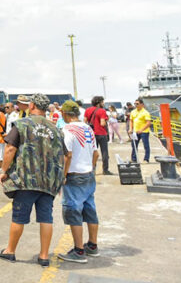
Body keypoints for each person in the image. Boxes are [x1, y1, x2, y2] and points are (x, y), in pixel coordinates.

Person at [0, 94, 65, 267]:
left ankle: (10, 251)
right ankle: (44, 256)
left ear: (32, 105)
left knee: (19, 217)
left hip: (25, 180)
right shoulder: (56, 129)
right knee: (46, 218)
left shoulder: (22, 124)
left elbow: (10, 148)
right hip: (48, 182)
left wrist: (4, 170)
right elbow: (63, 154)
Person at [57, 101, 101, 263]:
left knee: (73, 211)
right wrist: (91, 167)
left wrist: (63, 175)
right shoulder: (88, 128)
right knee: (90, 209)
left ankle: (78, 251)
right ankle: (92, 245)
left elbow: (67, 155)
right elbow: (95, 153)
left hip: (74, 176)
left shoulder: (67, 130)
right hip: (89, 173)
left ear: (64, 114)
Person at [84, 96, 112, 175]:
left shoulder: (87, 110)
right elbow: (102, 123)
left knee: (92, 152)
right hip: (101, 133)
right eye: (102, 102)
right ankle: (105, 170)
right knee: (104, 152)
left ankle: (93, 169)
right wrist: (107, 119)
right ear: (99, 103)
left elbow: (85, 122)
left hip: (92, 134)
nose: (103, 103)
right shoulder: (102, 111)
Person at [129, 98, 152, 163]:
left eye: (137, 104)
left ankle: (146, 159)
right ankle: (134, 159)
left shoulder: (145, 112)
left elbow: (148, 123)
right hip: (135, 131)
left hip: (144, 132)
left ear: (142, 104)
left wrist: (141, 130)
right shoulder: (133, 112)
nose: (136, 105)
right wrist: (130, 128)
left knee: (146, 145)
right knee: (134, 145)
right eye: (135, 104)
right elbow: (131, 121)